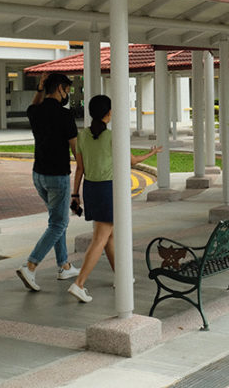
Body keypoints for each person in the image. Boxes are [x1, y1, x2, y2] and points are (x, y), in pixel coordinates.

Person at [67, 94, 161, 303]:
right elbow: (132, 161)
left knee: (109, 236)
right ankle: (79, 284)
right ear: (109, 113)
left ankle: (121, 276)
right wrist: (152, 153)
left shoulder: (82, 136)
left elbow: (80, 168)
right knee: (100, 238)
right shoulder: (112, 137)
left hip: (90, 188)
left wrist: (75, 194)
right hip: (108, 189)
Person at [16, 72, 80, 292]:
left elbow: (34, 105)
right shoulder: (65, 115)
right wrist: (84, 173)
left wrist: (40, 88)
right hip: (57, 177)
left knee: (57, 220)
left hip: (39, 176)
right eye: (67, 90)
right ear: (60, 88)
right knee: (58, 224)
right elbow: (76, 150)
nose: (67, 94)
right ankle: (30, 266)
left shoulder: (35, 111)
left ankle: (64, 265)